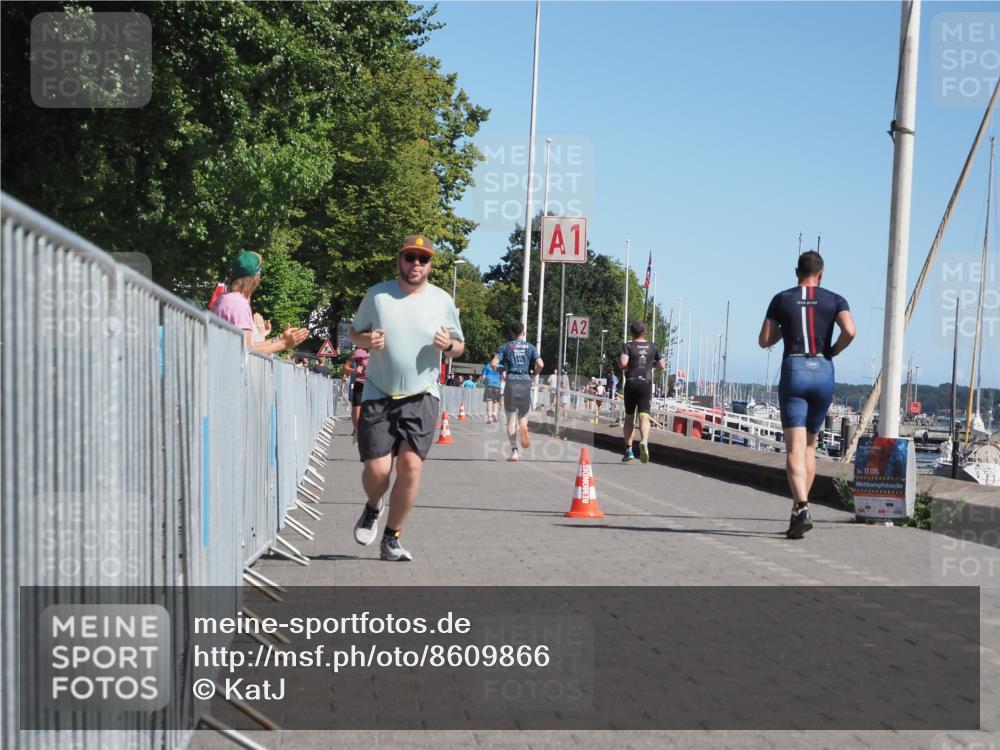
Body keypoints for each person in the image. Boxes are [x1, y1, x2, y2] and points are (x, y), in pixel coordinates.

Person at [349, 235, 464, 561]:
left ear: (429, 265)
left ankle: (392, 538)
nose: (416, 264)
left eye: (423, 259)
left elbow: (459, 345)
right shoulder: (377, 295)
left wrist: (448, 346)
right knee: (378, 470)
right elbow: (354, 334)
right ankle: (373, 506)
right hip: (379, 391)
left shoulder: (441, 300)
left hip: (422, 393)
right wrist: (366, 339)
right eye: (410, 257)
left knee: (411, 466)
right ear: (399, 260)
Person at [759, 250, 855, 539]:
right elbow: (850, 330)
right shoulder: (835, 299)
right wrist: (832, 351)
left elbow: (764, 341)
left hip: (795, 368)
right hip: (823, 370)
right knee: (811, 447)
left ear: (796, 272)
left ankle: (802, 507)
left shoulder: (781, 299)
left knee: (794, 448)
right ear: (821, 273)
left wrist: (784, 327)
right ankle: (797, 510)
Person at [210, 251, 309, 354]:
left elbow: (249, 345)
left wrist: (279, 338)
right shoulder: (238, 304)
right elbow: (247, 350)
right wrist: (284, 344)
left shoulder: (228, 299)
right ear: (255, 278)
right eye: (260, 273)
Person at [491, 321, 543, 462]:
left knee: (510, 420)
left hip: (511, 382)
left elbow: (493, 364)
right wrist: (535, 373)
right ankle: (524, 425)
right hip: (525, 381)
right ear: (523, 332)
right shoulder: (530, 347)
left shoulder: (506, 346)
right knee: (523, 415)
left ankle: (514, 451)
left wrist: (502, 370)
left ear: (512, 333)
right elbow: (540, 364)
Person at [619, 320, 666, 464]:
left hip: (632, 382)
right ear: (644, 331)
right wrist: (651, 363)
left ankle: (628, 450)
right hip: (646, 383)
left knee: (629, 417)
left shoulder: (627, 346)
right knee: (644, 416)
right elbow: (662, 365)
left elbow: (623, 363)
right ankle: (644, 441)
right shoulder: (653, 346)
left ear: (631, 333)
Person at [344, 346, 370, 442]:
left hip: (375, 386)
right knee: (356, 414)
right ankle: (357, 430)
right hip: (360, 384)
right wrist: (354, 370)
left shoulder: (380, 350)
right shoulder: (359, 352)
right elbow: (346, 366)